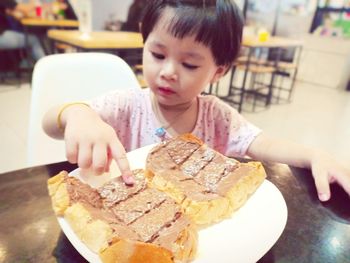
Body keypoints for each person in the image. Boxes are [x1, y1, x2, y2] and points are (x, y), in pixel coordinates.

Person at [42, 0, 350, 202]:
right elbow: (50, 124)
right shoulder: (126, 106)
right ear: (144, 41)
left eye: (189, 65)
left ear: (218, 70)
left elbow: (263, 142)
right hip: (130, 215)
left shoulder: (217, 117)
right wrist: (77, 115)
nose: (168, 72)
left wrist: (313, 154)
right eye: (158, 54)